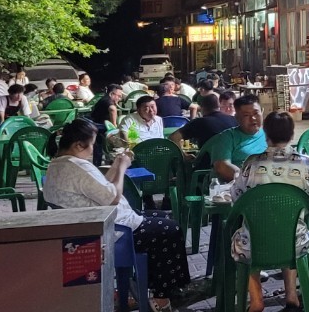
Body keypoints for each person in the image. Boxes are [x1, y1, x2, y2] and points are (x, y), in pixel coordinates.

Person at [45, 120, 189, 312]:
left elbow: (100, 188)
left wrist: (116, 164)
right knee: (170, 229)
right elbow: (112, 197)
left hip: (95, 223)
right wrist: (122, 168)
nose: (93, 149)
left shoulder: (57, 164)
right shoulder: (78, 167)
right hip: (111, 231)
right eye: (92, 144)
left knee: (161, 217)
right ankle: (161, 298)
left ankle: (158, 286)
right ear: (79, 145)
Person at [229, 112, 309, 312]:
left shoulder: (252, 163)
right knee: (291, 230)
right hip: (294, 242)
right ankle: (292, 297)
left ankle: (256, 301)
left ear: (266, 135)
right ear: (292, 134)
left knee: (243, 236)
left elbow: (237, 199)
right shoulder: (306, 164)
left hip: (253, 243)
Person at [203, 95, 267, 182]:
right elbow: (222, 167)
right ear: (237, 118)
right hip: (238, 186)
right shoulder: (226, 138)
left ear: (262, 111)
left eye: (256, 113)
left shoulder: (271, 134)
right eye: (246, 115)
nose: (253, 118)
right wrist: (251, 179)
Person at [170, 94, 237, 149]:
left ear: (202, 108)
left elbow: (174, 137)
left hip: (207, 160)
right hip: (233, 159)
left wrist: (184, 156)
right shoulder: (234, 120)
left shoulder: (199, 122)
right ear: (218, 106)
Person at [88, 84, 124, 166]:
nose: (119, 98)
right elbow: (112, 109)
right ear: (111, 94)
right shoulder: (108, 101)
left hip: (96, 124)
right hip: (98, 126)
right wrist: (115, 127)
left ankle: (99, 163)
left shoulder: (104, 98)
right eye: (118, 96)